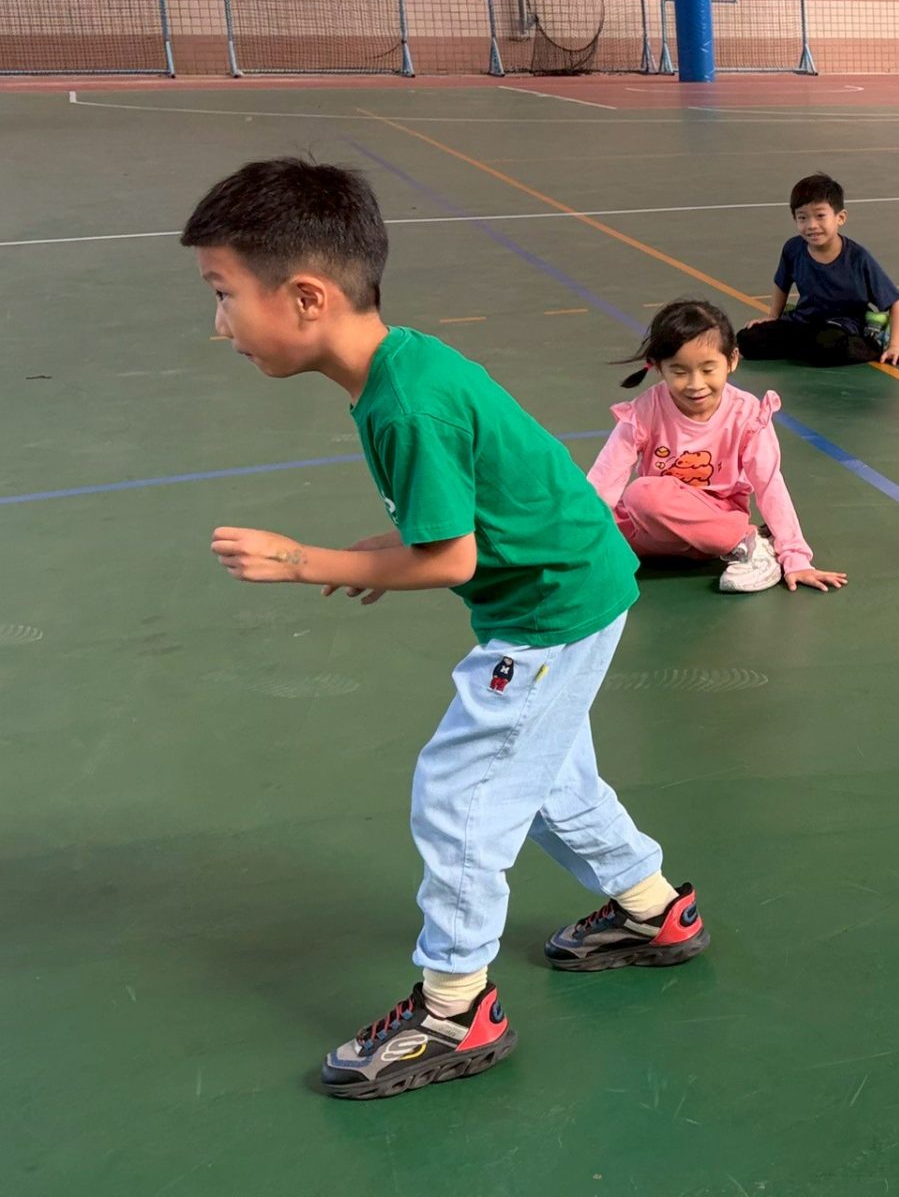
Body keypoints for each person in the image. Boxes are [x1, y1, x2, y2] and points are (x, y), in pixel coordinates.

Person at [183, 158, 705, 1100]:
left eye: (223, 294)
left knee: (461, 793)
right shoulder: (402, 366)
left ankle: (454, 1009)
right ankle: (651, 907)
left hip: (547, 612)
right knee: (545, 774)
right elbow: (459, 518)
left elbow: (451, 560)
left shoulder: (404, 402)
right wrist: (390, 547)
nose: (218, 323)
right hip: (570, 585)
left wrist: (304, 560)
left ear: (306, 297)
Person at [588, 298, 845, 595]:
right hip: (652, 529)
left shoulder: (747, 414)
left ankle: (749, 542)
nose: (695, 384)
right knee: (604, 523)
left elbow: (769, 484)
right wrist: (580, 546)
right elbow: (602, 482)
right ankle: (731, 543)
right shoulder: (644, 411)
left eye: (708, 369)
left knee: (643, 494)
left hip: (717, 524)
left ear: (732, 360)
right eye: (679, 372)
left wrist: (795, 556)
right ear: (659, 368)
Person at [738, 171, 899, 367]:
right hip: (803, 322)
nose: (812, 225)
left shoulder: (858, 258)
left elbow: (896, 303)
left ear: (840, 217)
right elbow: (782, 283)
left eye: (820, 216)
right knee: (747, 340)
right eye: (802, 218)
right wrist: (772, 317)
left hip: (841, 326)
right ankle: (806, 348)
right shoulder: (793, 249)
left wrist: (894, 346)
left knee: (824, 348)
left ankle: (871, 342)